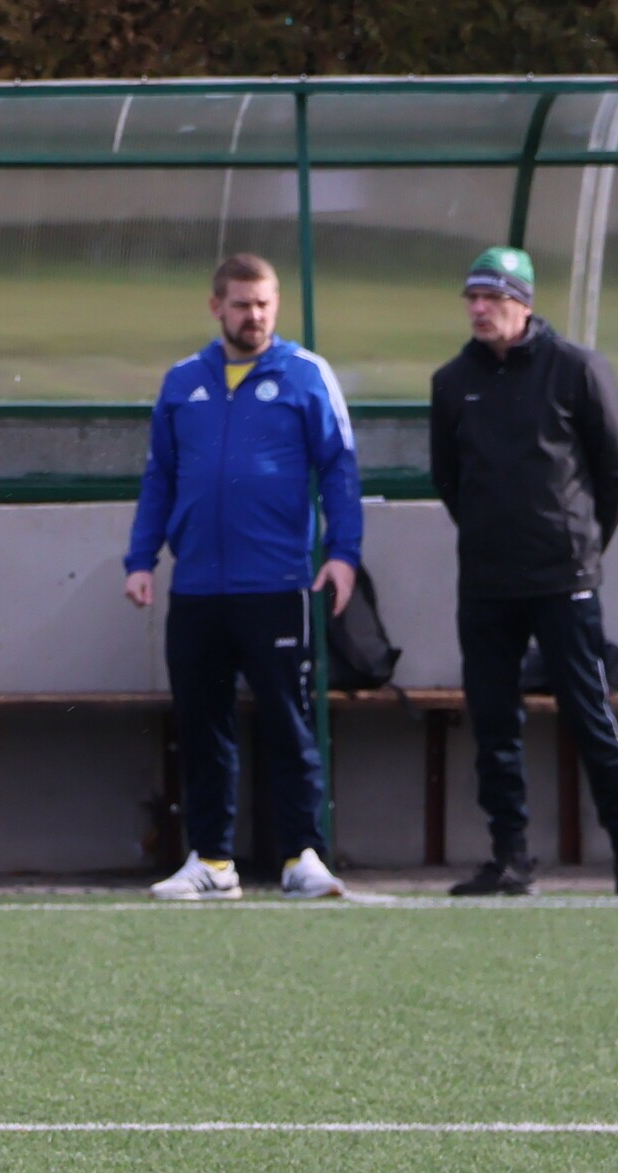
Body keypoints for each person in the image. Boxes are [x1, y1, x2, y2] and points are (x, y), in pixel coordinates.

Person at [124, 253, 363, 901]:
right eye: (240, 304)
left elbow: (338, 467)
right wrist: (141, 559)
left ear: (275, 305)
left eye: (263, 304)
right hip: (197, 586)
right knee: (203, 726)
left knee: (289, 723)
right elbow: (159, 475)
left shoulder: (305, 374)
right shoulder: (182, 382)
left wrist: (342, 553)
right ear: (216, 308)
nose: (253, 316)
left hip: (277, 583)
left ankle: (302, 857)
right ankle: (212, 861)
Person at [431, 247, 618, 897]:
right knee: (493, 722)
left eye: (492, 298)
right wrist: (486, 535)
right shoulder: (451, 381)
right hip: (486, 582)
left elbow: (614, 471)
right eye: (471, 298)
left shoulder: (577, 369)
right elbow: (448, 478)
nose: (479, 310)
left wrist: (579, 543)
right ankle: (510, 858)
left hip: (563, 578)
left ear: (522, 304)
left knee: (588, 714)